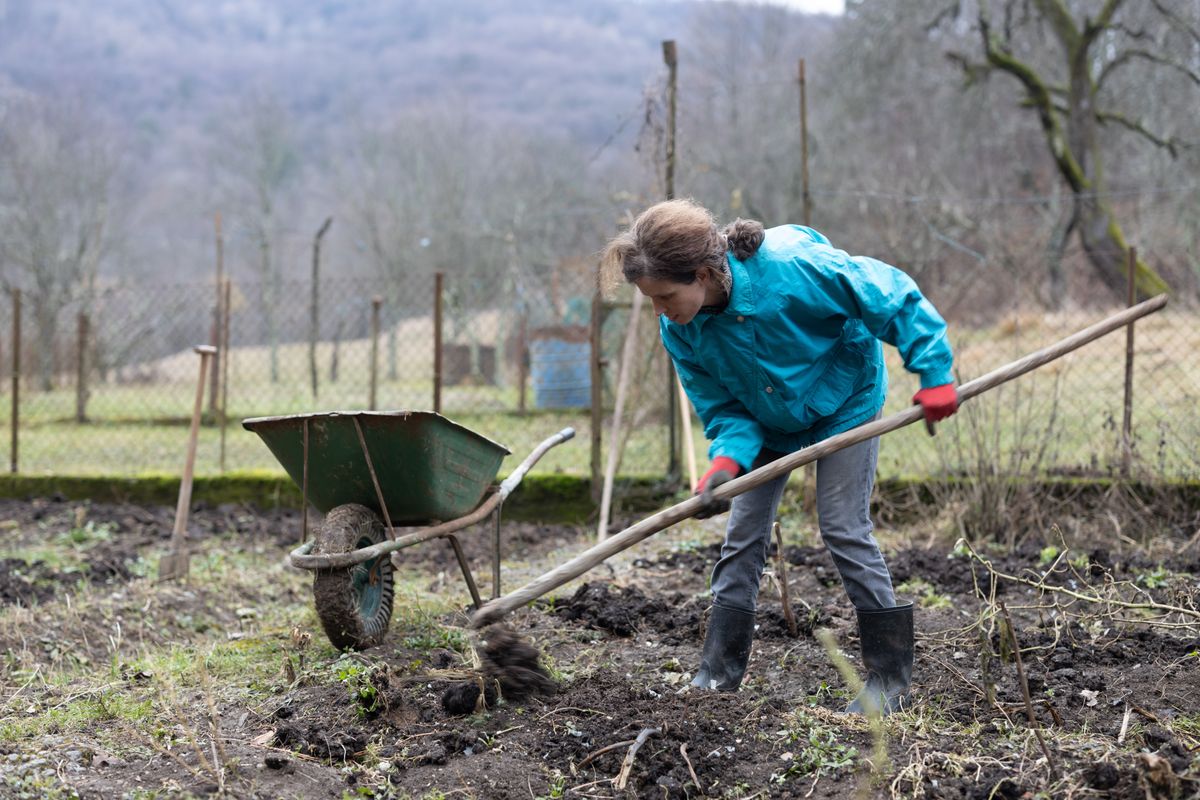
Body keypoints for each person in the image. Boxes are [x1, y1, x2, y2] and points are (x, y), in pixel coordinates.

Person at [600, 198, 958, 716]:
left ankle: (888, 680)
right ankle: (718, 673)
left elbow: (891, 296)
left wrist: (935, 372)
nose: (659, 309)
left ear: (702, 273)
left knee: (842, 525)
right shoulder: (681, 328)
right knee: (742, 536)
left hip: (843, 402)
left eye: (663, 295)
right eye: (649, 299)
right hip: (762, 418)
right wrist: (727, 461)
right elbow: (721, 407)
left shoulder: (793, 269)